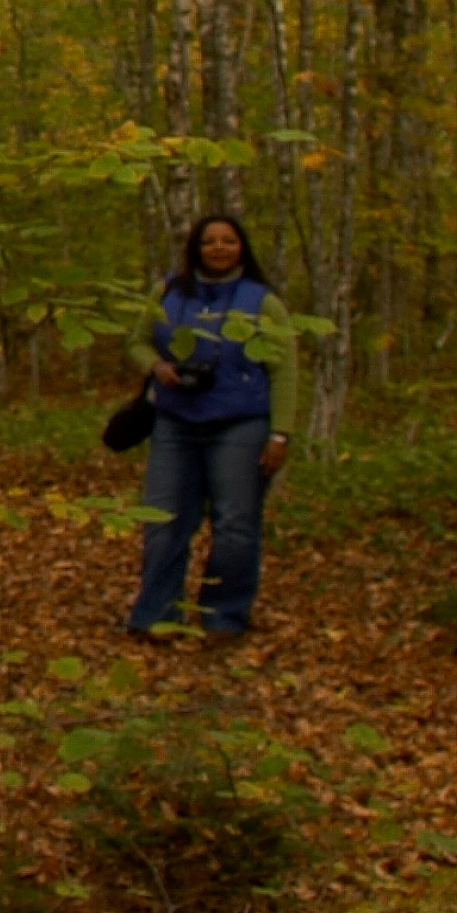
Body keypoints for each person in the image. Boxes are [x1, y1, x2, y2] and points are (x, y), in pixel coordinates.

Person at [126, 213, 301, 641]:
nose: (219, 249)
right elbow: (137, 340)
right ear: (195, 249)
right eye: (210, 242)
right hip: (175, 422)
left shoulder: (262, 302)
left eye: (229, 241)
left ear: (242, 247)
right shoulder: (166, 292)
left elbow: (286, 371)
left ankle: (224, 617)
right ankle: (157, 616)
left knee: (235, 525)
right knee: (164, 520)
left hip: (240, 425)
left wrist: (281, 434)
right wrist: (157, 367)